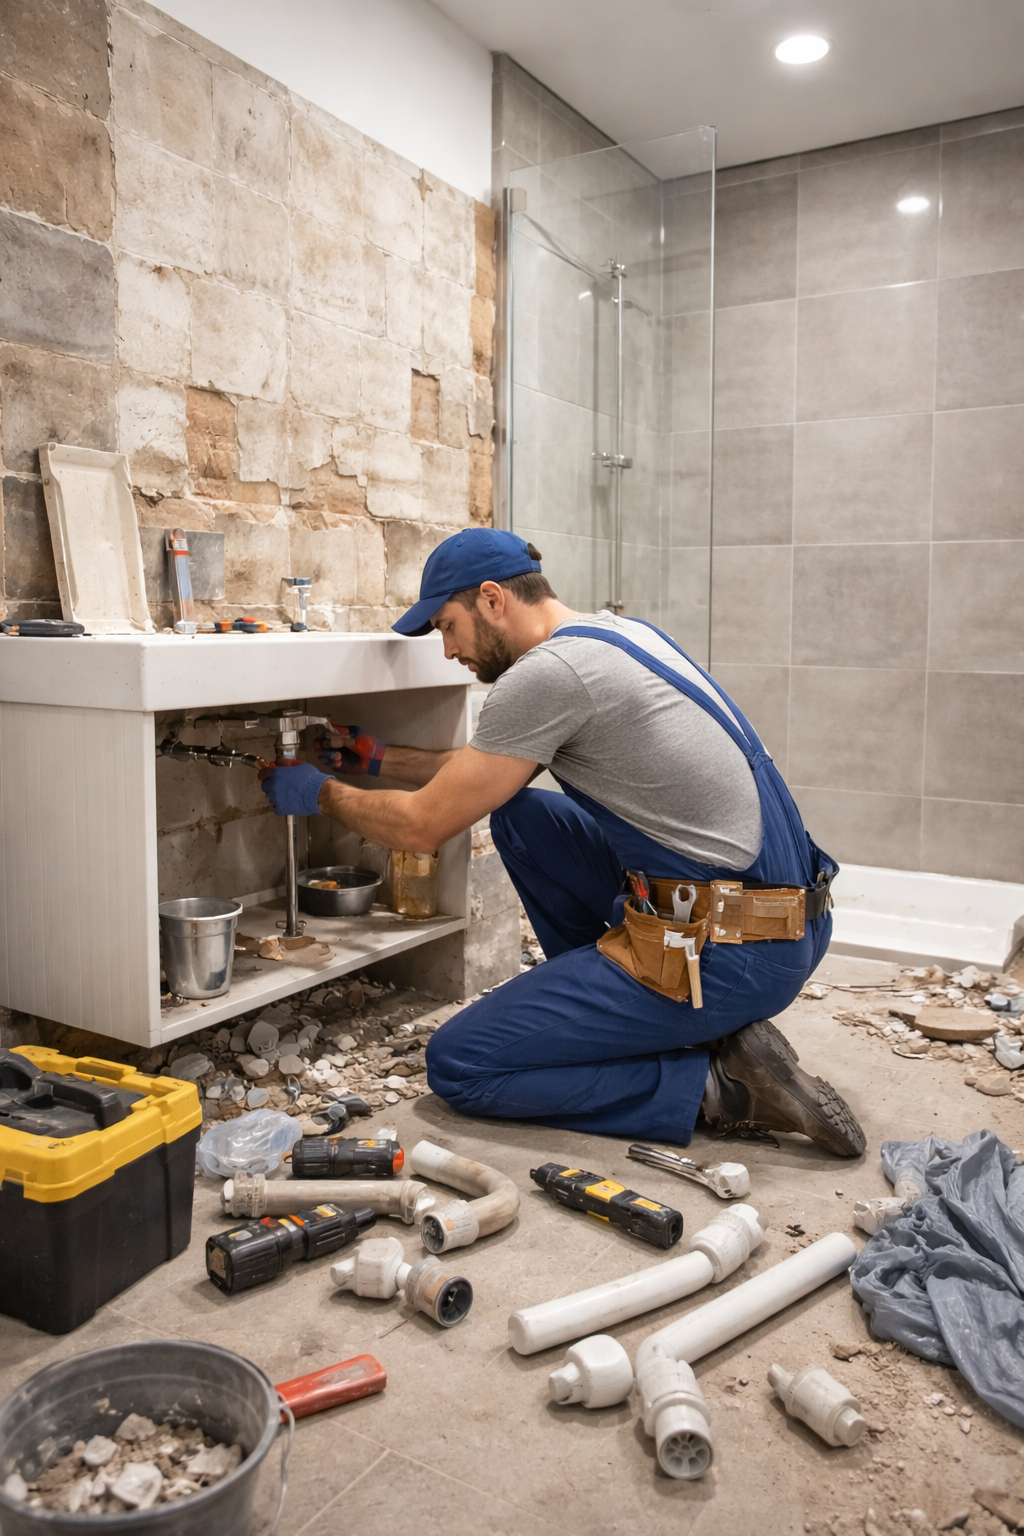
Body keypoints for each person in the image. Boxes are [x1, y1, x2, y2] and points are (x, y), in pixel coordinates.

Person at [260, 528, 865, 1157]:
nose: (448, 650)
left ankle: (721, 1088)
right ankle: (620, 1017)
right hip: (787, 922)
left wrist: (319, 793)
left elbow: (422, 826)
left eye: (447, 627)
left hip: (737, 956)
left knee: (461, 1065)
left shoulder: (547, 676)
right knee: (523, 817)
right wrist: (377, 759)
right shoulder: (615, 636)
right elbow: (487, 774)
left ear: (492, 599)